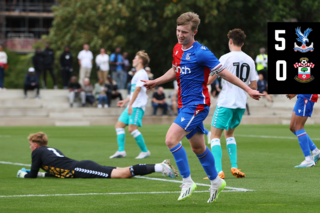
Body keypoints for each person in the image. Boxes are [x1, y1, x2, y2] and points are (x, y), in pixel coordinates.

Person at [142, 12, 263, 203]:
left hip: (197, 105)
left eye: (184, 32)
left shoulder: (202, 52)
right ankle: (216, 181)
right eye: (178, 31)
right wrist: (156, 81)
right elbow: (175, 70)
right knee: (198, 147)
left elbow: (225, 73)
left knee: (171, 140)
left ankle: (187, 181)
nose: (180, 35)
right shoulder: (177, 49)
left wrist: (249, 89)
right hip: (184, 105)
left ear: (194, 32)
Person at [207, 29, 257, 180]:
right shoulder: (250, 60)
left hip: (226, 102)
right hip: (241, 104)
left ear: (230, 41)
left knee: (215, 136)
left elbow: (209, 80)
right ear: (242, 43)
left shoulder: (225, 58)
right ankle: (234, 166)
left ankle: (218, 171)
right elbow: (253, 86)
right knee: (230, 134)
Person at [17, 132, 178, 179]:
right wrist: (42, 175)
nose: (30, 147)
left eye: (31, 144)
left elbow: (31, 175)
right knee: (123, 171)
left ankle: (160, 167)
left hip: (81, 169)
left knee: (122, 174)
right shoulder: (49, 150)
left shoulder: (37, 152)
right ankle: (159, 166)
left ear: (35, 145)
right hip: (81, 166)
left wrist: (23, 174)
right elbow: (56, 171)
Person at [109, 50, 150, 159]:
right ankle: (121, 151)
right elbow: (134, 92)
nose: (133, 60)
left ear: (140, 61)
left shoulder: (142, 73)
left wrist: (130, 105)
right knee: (119, 126)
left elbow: (137, 90)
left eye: (135, 58)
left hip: (137, 106)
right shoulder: (137, 73)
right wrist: (126, 101)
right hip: (132, 105)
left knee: (132, 129)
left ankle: (145, 151)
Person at [287, 94, 320, 167]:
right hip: (301, 96)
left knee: (298, 126)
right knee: (292, 127)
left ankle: (308, 160)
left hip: (306, 97)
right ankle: (316, 151)